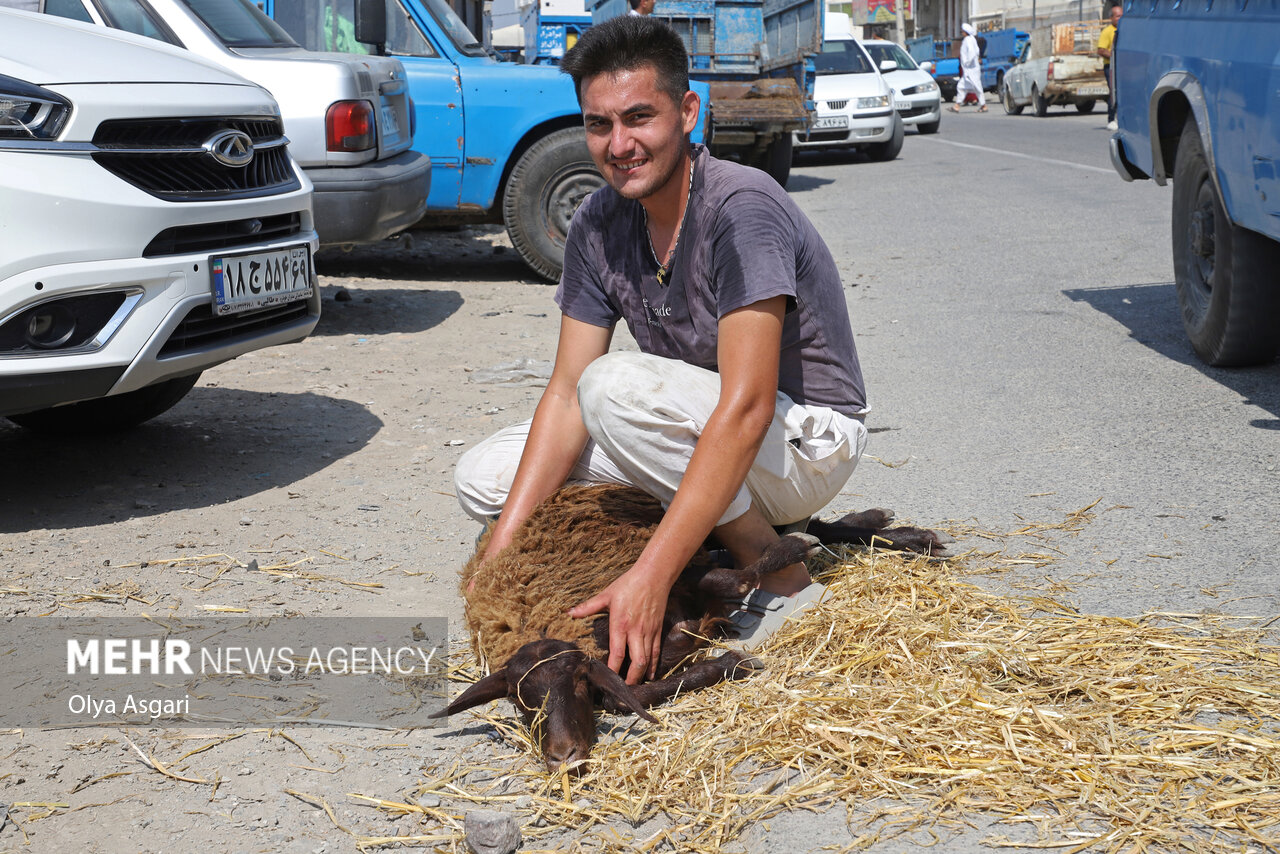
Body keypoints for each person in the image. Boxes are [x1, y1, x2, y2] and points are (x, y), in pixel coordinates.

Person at [454, 16, 869, 685]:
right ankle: (699, 527)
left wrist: (651, 577)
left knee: (613, 387)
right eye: (599, 123)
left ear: (687, 112)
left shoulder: (742, 207)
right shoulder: (598, 221)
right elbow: (563, 393)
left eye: (639, 117)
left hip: (803, 440)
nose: (619, 144)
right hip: (689, 424)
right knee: (483, 478)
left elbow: (748, 406)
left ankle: (778, 569)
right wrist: (497, 558)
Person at [950, 23, 987, 112]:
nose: (962, 33)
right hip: (970, 69)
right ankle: (957, 106)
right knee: (962, 87)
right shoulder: (972, 39)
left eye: (962, 31)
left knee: (976, 87)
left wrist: (967, 62)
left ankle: (983, 105)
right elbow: (977, 51)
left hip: (971, 69)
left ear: (965, 32)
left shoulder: (967, 40)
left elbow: (972, 52)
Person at [1097, 3, 1122, 130]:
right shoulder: (1107, 32)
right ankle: (1111, 119)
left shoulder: (1125, 30)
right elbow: (1101, 50)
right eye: (1117, 16)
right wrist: (1113, 56)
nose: (1120, 18)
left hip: (1123, 66)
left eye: (1122, 16)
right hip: (1111, 67)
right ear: (1111, 18)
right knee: (1114, 92)